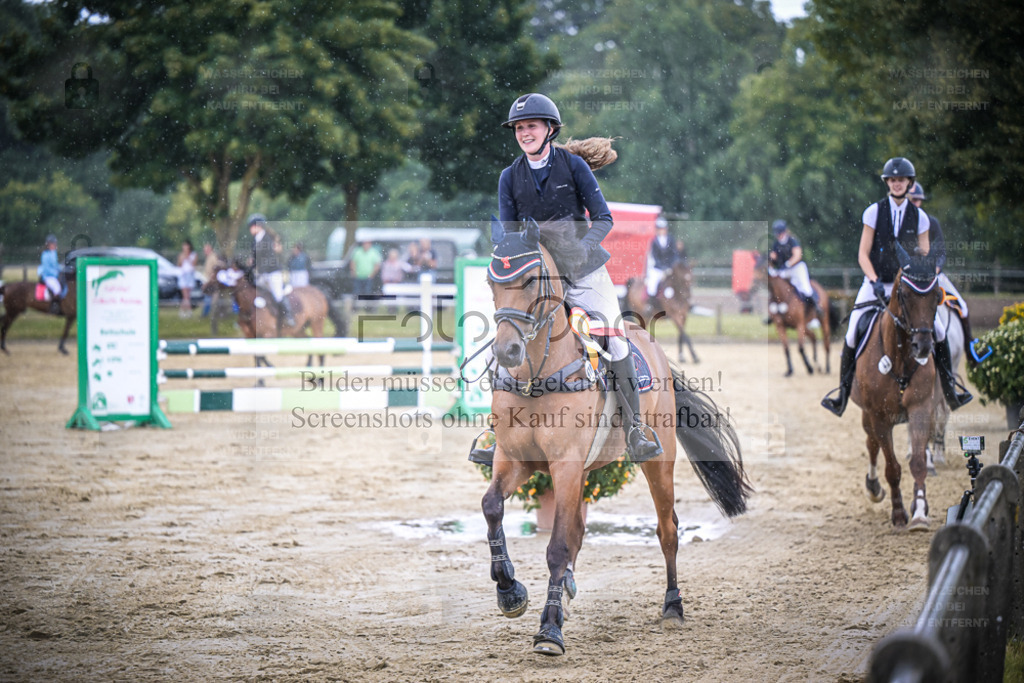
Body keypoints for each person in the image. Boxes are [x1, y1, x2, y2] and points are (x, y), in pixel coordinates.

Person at [472, 92, 661, 465]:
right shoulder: (510, 177)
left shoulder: (573, 167)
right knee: (507, 336)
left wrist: (582, 248)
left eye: (531, 126)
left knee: (616, 340)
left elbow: (603, 218)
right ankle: (495, 430)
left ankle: (636, 428)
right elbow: (510, 234)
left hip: (584, 270)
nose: (524, 133)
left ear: (549, 129)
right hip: (537, 277)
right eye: (519, 128)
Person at [821, 157, 971, 417]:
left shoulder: (921, 217)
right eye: (893, 180)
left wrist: (922, 279)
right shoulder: (873, 212)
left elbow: (925, 256)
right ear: (887, 183)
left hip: (910, 284)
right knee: (853, 330)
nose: (897, 183)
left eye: (901, 180)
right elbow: (862, 255)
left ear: (909, 182)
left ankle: (950, 390)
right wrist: (874, 281)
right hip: (877, 281)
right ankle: (842, 394)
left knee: (938, 330)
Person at [907, 181, 979, 359]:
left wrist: (935, 269)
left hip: (933, 275)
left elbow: (941, 252)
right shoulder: (901, 223)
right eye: (912, 199)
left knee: (962, 306)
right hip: (908, 276)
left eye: (918, 200)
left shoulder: (932, 222)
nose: (916, 203)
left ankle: (971, 349)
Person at [248, 213, 295, 327]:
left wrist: (261, 271)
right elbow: (255, 259)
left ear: (259, 226)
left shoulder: (267, 239)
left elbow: (269, 258)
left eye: (252, 226)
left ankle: (288, 317)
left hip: (273, 272)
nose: (250, 228)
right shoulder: (256, 240)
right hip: (263, 273)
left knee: (278, 295)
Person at [767, 219, 820, 313]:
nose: (778, 235)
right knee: (776, 286)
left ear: (784, 232)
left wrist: (788, 264)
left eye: (779, 233)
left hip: (797, 268)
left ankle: (816, 308)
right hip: (783, 270)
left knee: (805, 288)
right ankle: (773, 313)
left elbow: (797, 255)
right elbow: (774, 256)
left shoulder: (792, 241)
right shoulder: (776, 244)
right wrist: (772, 259)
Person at [645, 216, 677, 297]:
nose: (661, 230)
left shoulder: (671, 240)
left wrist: (669, 267)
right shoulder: (654, 242)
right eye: (659, 228)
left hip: (669, 268)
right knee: (652, 288)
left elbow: (673, 254)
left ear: (666, 229)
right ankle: (651, 305)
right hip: (658, 269)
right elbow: (655, 257)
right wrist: (662, 268)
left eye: (663, 228)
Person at [37, 234, 63, 315]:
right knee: (57, 288)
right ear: (48, 245)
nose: (55, 245)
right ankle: (53, 307)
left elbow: (55, 265)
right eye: (53, 243)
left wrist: (63, 268)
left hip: (53, 276)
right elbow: (47, 268)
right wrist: (56, 273)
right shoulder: (45, 255)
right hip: (48, 276)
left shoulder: (53, 253)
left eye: (55, 243)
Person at [177, 239, 197, 317]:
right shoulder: (181, 255)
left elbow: (193, 264)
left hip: (190, 274)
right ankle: (187, 311)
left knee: (188, 295)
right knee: (185, 295)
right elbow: (179, 265)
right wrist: (182, 258)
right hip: (183, 275)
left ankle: (183, 311)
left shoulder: (193, 254)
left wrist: (188, 257)